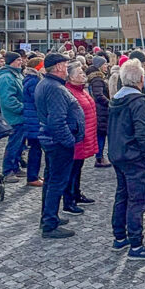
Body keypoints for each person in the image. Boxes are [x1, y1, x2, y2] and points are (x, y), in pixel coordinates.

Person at [107, 59, 145, 259]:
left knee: (122, 196)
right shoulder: (138, 101)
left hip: (118, 154)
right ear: (140, 79)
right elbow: (143, 132)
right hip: (134, 157)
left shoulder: (116, 98)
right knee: (137, 201)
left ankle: (120, 237)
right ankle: (136, 245)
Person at [36, 53, 84, 239]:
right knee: (56, 182)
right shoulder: (54, 88)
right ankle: (49, 223)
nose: (66, 68)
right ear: (57, 67)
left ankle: (49, 215)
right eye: (65, 65)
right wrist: (69, 141)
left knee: (51, 180)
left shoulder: (47, 84)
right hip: (58, 143)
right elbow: (57, 120)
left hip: (52, 141)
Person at [65, 61, 98, 211]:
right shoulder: (69, 91)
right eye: (79, 73)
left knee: (78, 168)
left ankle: (76, 193)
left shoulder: (81, 90)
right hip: (77, 137)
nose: (83, 75)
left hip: (85, 135)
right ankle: (69, 199)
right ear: (70, 77)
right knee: (72, 170)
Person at [0, 51, 27, 182]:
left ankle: (15, 167)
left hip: (20, 115)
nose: (21, 62)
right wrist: (23, 108)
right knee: (13, 144)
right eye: (18, 60)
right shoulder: (7, 77)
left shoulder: (16, 74)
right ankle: (7, 170)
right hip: (14, 116)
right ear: (12, 62)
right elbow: (8, 100)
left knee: (19, 144)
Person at [21, 56, 45, 187]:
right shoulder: (34, 81)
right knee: (35, 150)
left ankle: (34, 174)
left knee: (36, 149)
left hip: (33, 118)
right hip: (34, 120)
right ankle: (32, 176)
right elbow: (38, 100)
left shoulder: (34, 80)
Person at [87, 56, 113, 168]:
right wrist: (110, 103)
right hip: (101, 111)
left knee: (101, 135)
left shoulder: (98, 78)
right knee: (101, 135)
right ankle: (99, 157)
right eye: (104, 64)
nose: (106, 66)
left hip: (100, 110)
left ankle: (100, 156)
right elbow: (98, 95)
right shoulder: (97, 79)